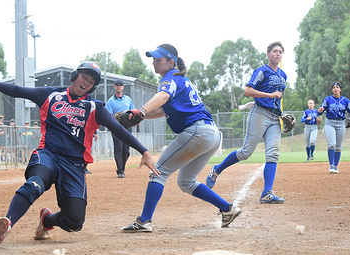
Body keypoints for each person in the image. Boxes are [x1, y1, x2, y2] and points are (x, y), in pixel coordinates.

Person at [0, 61, 158, 244]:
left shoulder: (95, 107)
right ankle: (8, 223)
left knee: (74, 221)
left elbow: (118, 129)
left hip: (75, 164)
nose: (86, 83)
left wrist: (144, 151)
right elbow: (19, 91)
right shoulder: (51, 95)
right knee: (35, 184)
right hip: (48, 154)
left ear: (93, 87)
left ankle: (46, 221)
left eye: (91, 82)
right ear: (74, 76)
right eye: (84, 77)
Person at [122, 44, 241, 233]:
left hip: (197, 132)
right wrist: (141, 116)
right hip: (210, 134)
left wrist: (142, 110)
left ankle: (144, 221)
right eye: (153, 59)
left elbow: (162, 96)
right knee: (186, 181)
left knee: (158, 171)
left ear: (171, 62)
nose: (154, 63)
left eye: (158, 60)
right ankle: (227, 209)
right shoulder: (181, 79)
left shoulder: (170, 78)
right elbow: (163, 109)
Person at [206, 41, 287, 204]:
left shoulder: (283, 75)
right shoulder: (262, 71)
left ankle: (267, 193)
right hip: (260, 114)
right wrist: (269, 96)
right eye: (274, 51)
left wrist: (282, 114)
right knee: (245, 152)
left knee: (273, 154)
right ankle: (217, 170)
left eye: (280, 52)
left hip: (274, 118)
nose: (277, 54)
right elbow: (248, 91)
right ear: (268, 54)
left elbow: (278, 98)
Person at [317, 81, 350, 174]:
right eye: (334, 87)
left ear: (340, 89)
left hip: (341, 123)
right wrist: (319, 111)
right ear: (332, 90)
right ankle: (331, 165)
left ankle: (335, 166)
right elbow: (320, 111)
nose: (335, 89)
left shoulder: (345, 100)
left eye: (337, 87)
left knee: (338, 147)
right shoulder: (328, 99)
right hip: (330, 123)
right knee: (332, 144)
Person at [106, 79, 135, 178]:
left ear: (123, 87)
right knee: (118, 148)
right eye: (117, 85)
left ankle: (122, 168)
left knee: (126, 151)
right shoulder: (111, 101)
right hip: (116, 127)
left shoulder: (128, 99)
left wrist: (131, 114)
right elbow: (109, 115)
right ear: (114, 87)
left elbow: (132, 110)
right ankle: (120, 170)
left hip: (127, 127)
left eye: (120, 85)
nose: (118, 87)